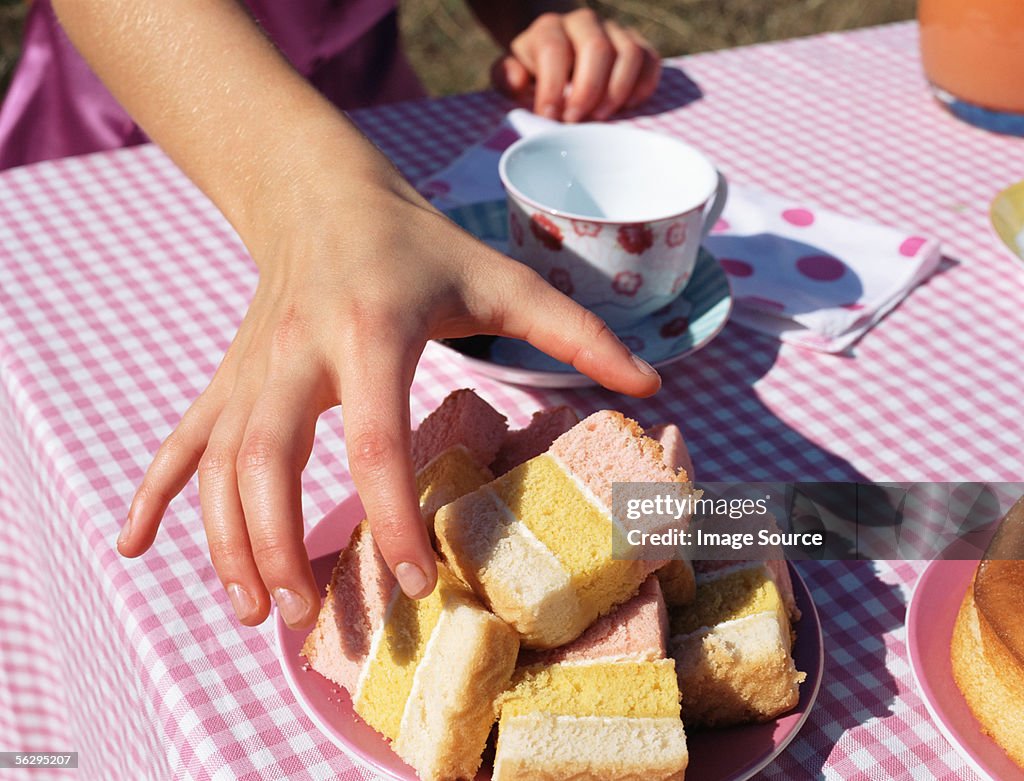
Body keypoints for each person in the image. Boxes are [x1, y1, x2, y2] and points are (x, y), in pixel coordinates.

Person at [9, 0, 665, 630]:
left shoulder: (708, 516)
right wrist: (315, 198)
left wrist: (532, 17)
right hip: (150, 125)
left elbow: (734, 517)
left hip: (378, 128)